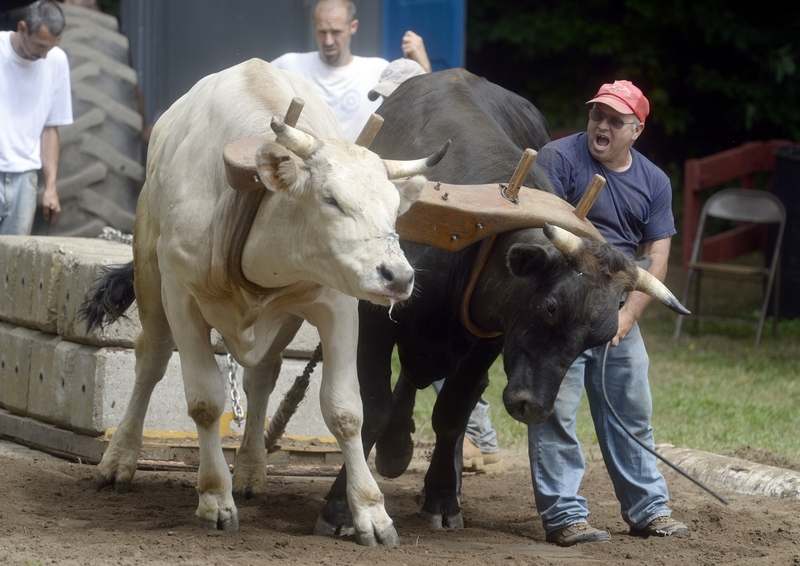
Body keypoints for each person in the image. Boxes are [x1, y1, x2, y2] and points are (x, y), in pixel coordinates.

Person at [529, 80, 689, 546]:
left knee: (632, 411)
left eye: (615, 120)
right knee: (556, 411)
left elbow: (657, 257)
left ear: (635, 130)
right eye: (597, 114)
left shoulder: (654, 181)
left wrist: (626, 317)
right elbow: (542, 231)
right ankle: (564, 516)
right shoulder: (557, 159)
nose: (601, 125)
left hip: (617, 305)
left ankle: (649, 511)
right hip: (562, 305)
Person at [272, 0, 431, 141]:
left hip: (358, 167)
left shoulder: (377, 69)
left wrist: (421, 61)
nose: (328, 41)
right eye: (322, 32)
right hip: (306, 165)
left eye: (336, 32)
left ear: (353, 27)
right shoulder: (289, 65)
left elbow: (425, 107)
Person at [0, 0, 71, 235]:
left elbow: (51, 128)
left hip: (25, 180)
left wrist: (51, 187)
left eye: (49, 48)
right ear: (22, 28)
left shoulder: (57, 61)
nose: (43, 56)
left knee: (13, 262)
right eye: (40, 46)